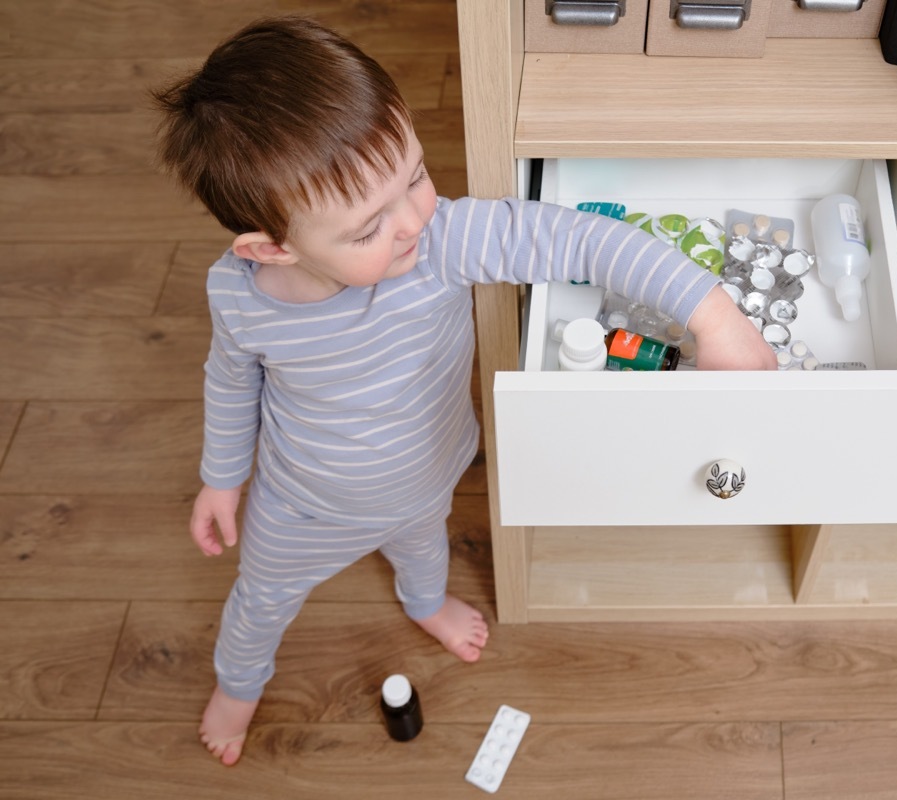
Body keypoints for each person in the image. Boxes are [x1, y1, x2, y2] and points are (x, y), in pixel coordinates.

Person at [151, 15, 776, 767]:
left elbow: (578, 238)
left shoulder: (443, 241)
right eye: (367, 227)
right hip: (302, 503)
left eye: (415, 175)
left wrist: (715, 316)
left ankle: (425, 604)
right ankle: (238, 687)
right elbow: (230, 378)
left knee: (425, 548)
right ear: (271, 248)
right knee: (260, 602)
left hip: (429, 472)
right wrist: (222, 477)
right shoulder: (239, 294)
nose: (414, 219)